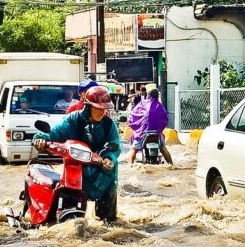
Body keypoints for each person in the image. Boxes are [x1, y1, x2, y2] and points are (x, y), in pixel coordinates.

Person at [33, 85, 121, 222]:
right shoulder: (73, 120)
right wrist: (41, 139)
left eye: (104, 109)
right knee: (71, 214)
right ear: (88, 106)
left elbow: (115, 146)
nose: (102, 112)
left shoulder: (109, 125)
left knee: (109, 221)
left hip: (103, 171)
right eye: (98, 108)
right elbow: (56, 132)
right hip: (78, 168)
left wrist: (110, 158)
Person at [126, 87, 173, 165]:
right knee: (163, 148)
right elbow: (165, 119)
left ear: (148, 95)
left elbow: (133, 115)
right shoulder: (160, 106)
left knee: (134, 149)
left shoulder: (142, 104)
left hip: (142, 133)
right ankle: (171, 165)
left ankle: (130, 165)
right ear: (157, 96)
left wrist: (132, 123)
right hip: (157, 133)